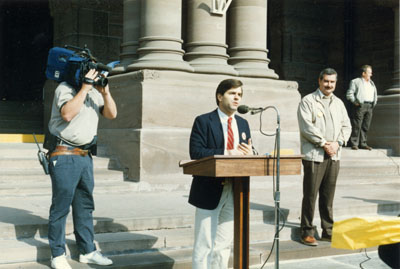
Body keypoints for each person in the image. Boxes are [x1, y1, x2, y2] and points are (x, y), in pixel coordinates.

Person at [47, 68, 117, 269]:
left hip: (85, 156)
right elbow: (67, 114)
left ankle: (87, 251)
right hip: (64, 153)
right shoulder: (65, 89)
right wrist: (85, 88)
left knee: (85, 206)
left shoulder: (95, 92)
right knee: (60, 206)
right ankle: (57, 254)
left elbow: (112, 114)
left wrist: (104, 91)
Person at [188, 79, 253, 269]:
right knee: (204, 243)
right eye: (232, 93)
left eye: (239, 95)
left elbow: (247, 149)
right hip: (208, 189)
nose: (237, 98)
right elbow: (196, 152)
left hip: (235, 189)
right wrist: (227, 151)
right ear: (219, 96)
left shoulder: (243, 123)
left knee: (224, 245)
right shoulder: (203, 121)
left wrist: (251, 153)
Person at [297, 68, 351, 246]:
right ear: (319, 81)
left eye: (332, 82)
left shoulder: (339, 103)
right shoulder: (308, 101)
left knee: (328, 196)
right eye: (326, 81)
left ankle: (328, 231)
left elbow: (346, 126)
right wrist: (324, 143)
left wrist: (338, 143)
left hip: (334, 155)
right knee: (310, 195)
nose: (329, 85)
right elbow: (306, 127)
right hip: (315, 155)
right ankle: (306, 231)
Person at [346, 65, 377, 150]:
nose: (371, 74)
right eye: (369, 73)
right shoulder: (355, 81)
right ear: (363, 73)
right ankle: (354, 143)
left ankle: (363, 143)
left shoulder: (372, 83)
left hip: (370, 106)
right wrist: (355, 102)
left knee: (366, 126)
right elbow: (349, 93)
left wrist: (374, 103)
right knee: (357, 125)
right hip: (360, 105)